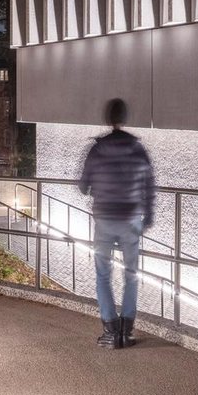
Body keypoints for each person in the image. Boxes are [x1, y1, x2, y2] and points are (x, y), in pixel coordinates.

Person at [76, 96, 156, 349]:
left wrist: (94, 188)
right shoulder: (138, 148)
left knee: (103, 275)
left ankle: (110, 331)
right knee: (131, 275)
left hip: (104, 217)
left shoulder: (97, 149)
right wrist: (148, 215)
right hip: (131, 218)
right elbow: (149, 184)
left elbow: (83, 185)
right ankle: (127, 331)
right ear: (125, 117)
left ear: (108, 118)